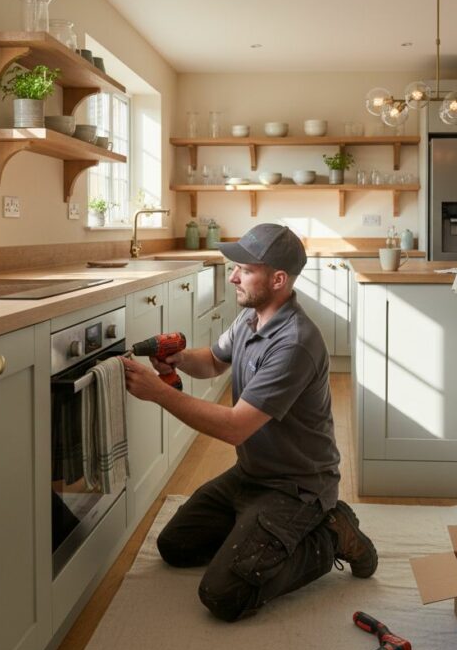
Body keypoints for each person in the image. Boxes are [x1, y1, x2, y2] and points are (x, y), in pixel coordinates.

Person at [121, 223, 378, 622]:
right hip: (251, 475)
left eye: (245, 269)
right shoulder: (251, 319)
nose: (234, 276)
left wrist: (160, 393)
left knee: (224, 594)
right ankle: (260, 535)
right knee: (175, 546)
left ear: (278, 279)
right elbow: (212, 361)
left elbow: (234, 427)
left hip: (297, 488)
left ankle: (330, 534)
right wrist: (179, 360)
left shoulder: (293, 343)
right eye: (235, 266)